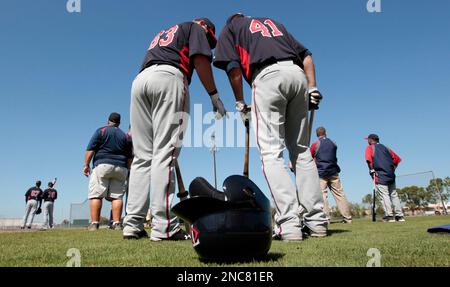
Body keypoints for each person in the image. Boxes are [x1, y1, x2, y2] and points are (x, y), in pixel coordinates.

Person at [213, 13, 327, 241]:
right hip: (297, 76)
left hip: (266, 77)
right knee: (302, 152)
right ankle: (317, 223)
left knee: (271, 155)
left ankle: (290, 225)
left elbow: (233, 69)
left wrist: (239, 103)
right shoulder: (273, 23)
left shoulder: (231, 27)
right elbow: (306, 56)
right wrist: (312, 87)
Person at [123, 18, 226, 241]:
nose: (208, 43)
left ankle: (132, 224)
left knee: (142, 157)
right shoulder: (195, 26)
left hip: (140, 81)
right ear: (204, 25)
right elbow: (200, 60)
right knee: (165, 154)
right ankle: (164, 226)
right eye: (208, 38)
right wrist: (213, 94)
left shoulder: (165, 32)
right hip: (169, 77)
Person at [83, 112, 133, 231]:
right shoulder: (125, 136)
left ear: (108, 121)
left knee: (96, 194)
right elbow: (130, 157)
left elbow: (90, 149)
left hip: (103, 164)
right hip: (121, 167)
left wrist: (86, 165)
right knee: (117, 197)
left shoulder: (101, 131)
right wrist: (128, 169)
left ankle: (94, 223)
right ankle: (116, 223)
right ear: (119, 123)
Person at [310, 127, 352, 223]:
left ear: (317, 134)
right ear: (326, 133)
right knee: (340, 194)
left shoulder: (315, 144)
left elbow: (310, 157)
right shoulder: (333, 143)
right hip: (333, 171)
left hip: (321, 173)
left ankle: (326, 218)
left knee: (322, 195)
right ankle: (347, 218)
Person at [365, 134, 405, 222]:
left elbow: (369, 160)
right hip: (391, 174)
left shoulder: (370, 148)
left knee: (384, 195)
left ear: (371, 140)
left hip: (380, 174)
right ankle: (399, 216)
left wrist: (371, 170)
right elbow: (397, 159)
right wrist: (393, 169)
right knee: (394, 194)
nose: (367, 141)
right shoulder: (386, 148)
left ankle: (389, 216)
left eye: (368, 139)